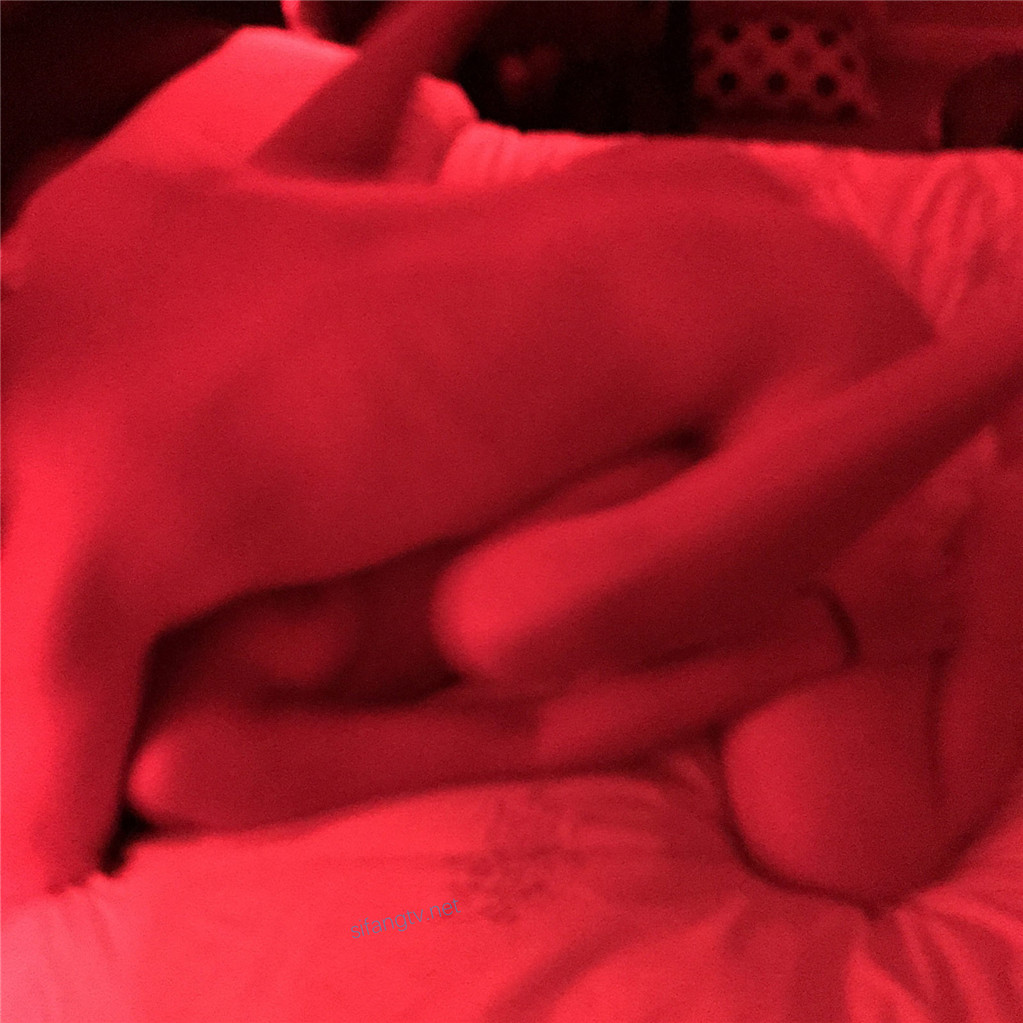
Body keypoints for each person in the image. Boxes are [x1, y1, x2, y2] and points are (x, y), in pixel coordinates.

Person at [2, 0, 1021, 918]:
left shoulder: (69, 550)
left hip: (805, 342)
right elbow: (290, 170)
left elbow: (32, 865)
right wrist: (432, 18)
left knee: (851, 845)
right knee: (518, 583)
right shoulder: (80, 206)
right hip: (686, 203)